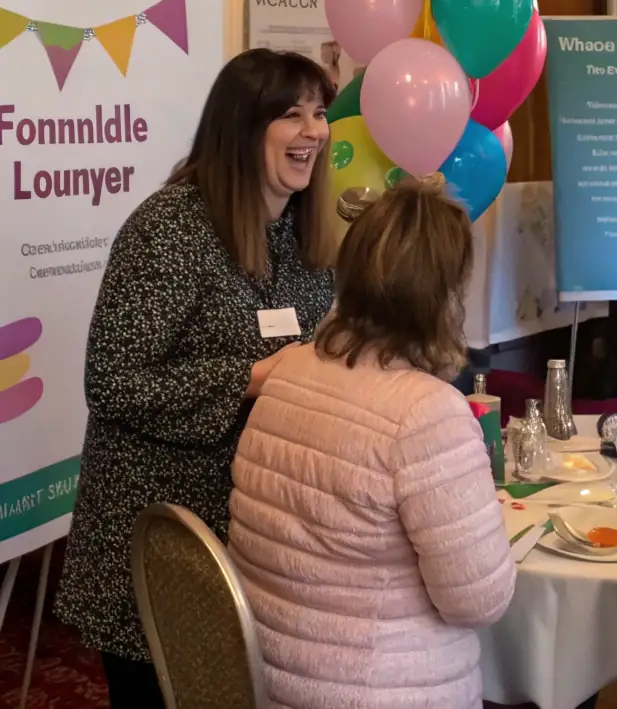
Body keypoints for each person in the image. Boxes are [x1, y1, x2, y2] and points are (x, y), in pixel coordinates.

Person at [55, 49, 336, 709]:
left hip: (250, 531)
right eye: (291, 114)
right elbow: (114, 380)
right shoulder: (170, 228)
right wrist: (253, 375)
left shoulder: (299, 234)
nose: (314, 131)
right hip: (160, 541)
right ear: (242, 126)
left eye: (319, 113)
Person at [228, 178, 516, 709]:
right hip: (378, 689)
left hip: (268, 679)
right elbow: (478, 601)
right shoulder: (425, 414)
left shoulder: (291, 368)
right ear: (444, 295)